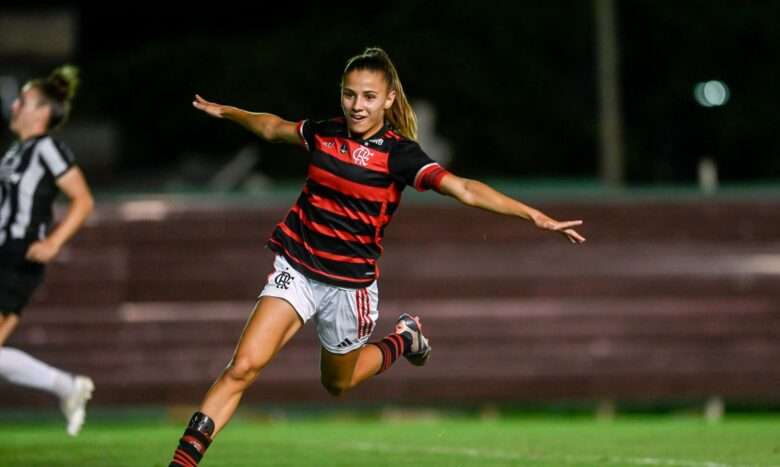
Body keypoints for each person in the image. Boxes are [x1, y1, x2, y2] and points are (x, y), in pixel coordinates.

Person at [169, 47, 585, 467]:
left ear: (387, 99)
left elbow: (464, 188)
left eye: (369, 96)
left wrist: (532, 215)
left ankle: (403, 339)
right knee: (243, 367)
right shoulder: (324, 132)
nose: (357, 105)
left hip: (349, 288)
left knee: (337, 383)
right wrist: (229, 113)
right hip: (296, 268)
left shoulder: (400, 155)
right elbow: (272, 127)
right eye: (350, 95)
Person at [0, 65, 95, 436]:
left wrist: (54, 242)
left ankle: (66, 386)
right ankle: (66, 387)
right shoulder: (13, 154)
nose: (14, 107)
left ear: (41, 111)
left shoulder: (47, 148)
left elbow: (83, 200)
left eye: (22, 101)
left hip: (18, 258)